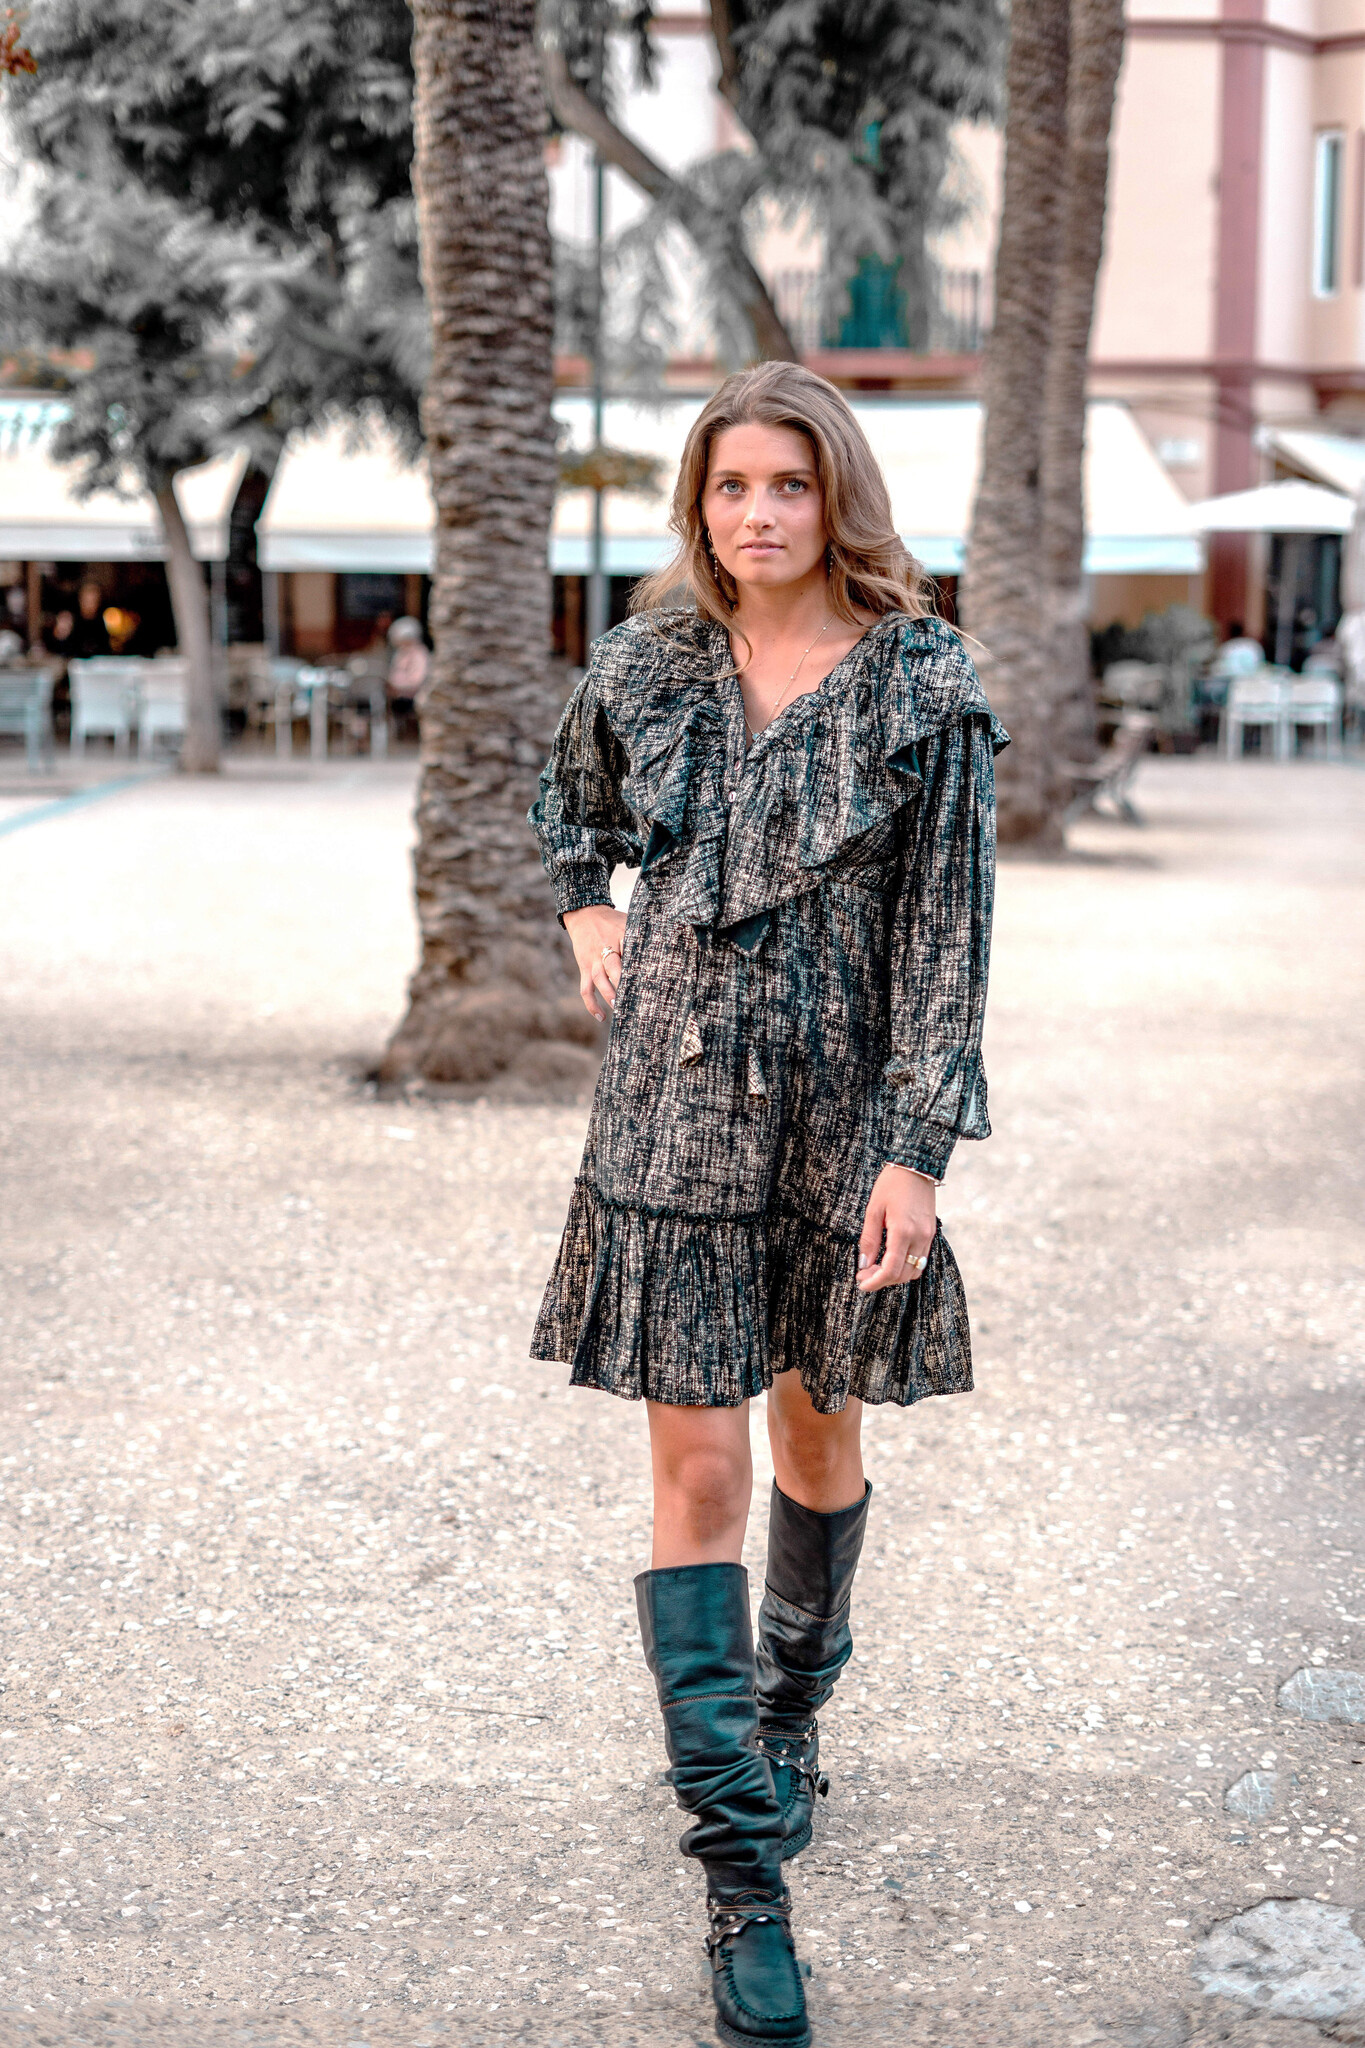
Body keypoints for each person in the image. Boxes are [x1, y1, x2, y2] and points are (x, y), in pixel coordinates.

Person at [528, 362, 1005, 2048]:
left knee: (814, 1436)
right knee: (695, 1471)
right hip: (666, 1113)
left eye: (788, 484)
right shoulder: (646, 662)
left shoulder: (921, 681)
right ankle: (741, 1879)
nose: (757, 513)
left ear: (835, 497)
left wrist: (914, 1152)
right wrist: (587, 904)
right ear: (699, 504)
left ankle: (793, 1710)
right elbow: (566, 804)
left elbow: (948, 936)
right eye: (730, 485)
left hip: (839, 1122)